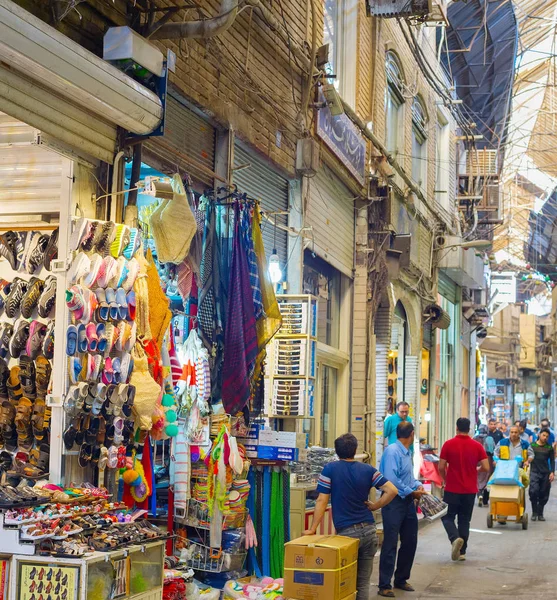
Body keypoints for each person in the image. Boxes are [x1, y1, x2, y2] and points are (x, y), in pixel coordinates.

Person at [305, 433, 398, 600]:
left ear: (337, 451)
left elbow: (321, 500)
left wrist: (312, 528)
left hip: (346, 535)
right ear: (355, 450)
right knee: (362, 583)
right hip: (369, 531)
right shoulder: (368, 470)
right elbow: (392, 490)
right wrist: (375, 506)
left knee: (345, 582)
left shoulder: (330, 469)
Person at [377, 422, 426, 598]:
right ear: (411, 434)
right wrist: (410, 491)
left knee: (410, 541)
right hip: (393, 502)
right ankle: (384, 584)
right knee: (390, 542)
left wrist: (417, 485)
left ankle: (401, 578)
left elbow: (407, 478)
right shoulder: (392, 451)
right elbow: (391, 479)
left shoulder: (407, 453)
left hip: (407, 502)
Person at [439, 418, 490, 561]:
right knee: (464, 520)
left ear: (456, 428)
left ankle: (455, 538)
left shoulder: (448, 444)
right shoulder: (477, 446)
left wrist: (445, 479)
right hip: (469, 490)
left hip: (452, 488)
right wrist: (476, 469)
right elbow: (486, 467)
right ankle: (462, 552)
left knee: (447, 516)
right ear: (470, 429)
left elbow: (441, 467)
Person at [529, 428, 555, 521]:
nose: (545, 438)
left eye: (547, 436)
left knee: (544, 493)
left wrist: (552, 472)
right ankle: (534, 512)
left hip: (545, 473)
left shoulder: (549, 448)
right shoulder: (532, 446)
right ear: (539, 435)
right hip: (534, 472)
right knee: (533, 491)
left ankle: (540, 513)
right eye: (543, 435)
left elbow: (552, 461)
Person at [473, 424, 495, 506]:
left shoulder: (475, 438)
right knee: (487, 477)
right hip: (487, 459)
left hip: (476, 459)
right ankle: (485, 499)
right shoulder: (489, 439)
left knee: (478, 477)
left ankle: (479, 495)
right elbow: (492, 449)